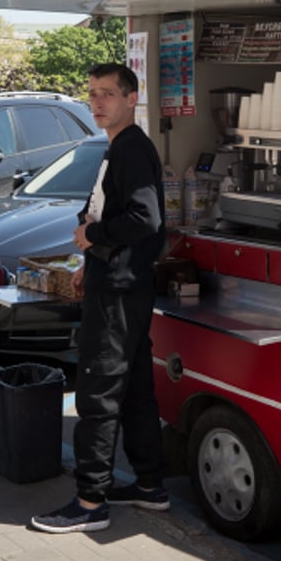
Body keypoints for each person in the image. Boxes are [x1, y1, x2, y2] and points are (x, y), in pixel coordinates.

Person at [31, 63, 168, 534]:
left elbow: (145, 219)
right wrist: (89, 262)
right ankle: (150, 486)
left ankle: (91, 503)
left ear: (132, 99)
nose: (97, 103)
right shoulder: (118, 147)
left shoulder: (132, 148)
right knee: (134, 390)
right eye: (92, 94)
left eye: (107, 94)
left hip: (121, 291)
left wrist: (93, 236)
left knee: (98, 392)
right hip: (115, 280)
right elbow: (109, 208)